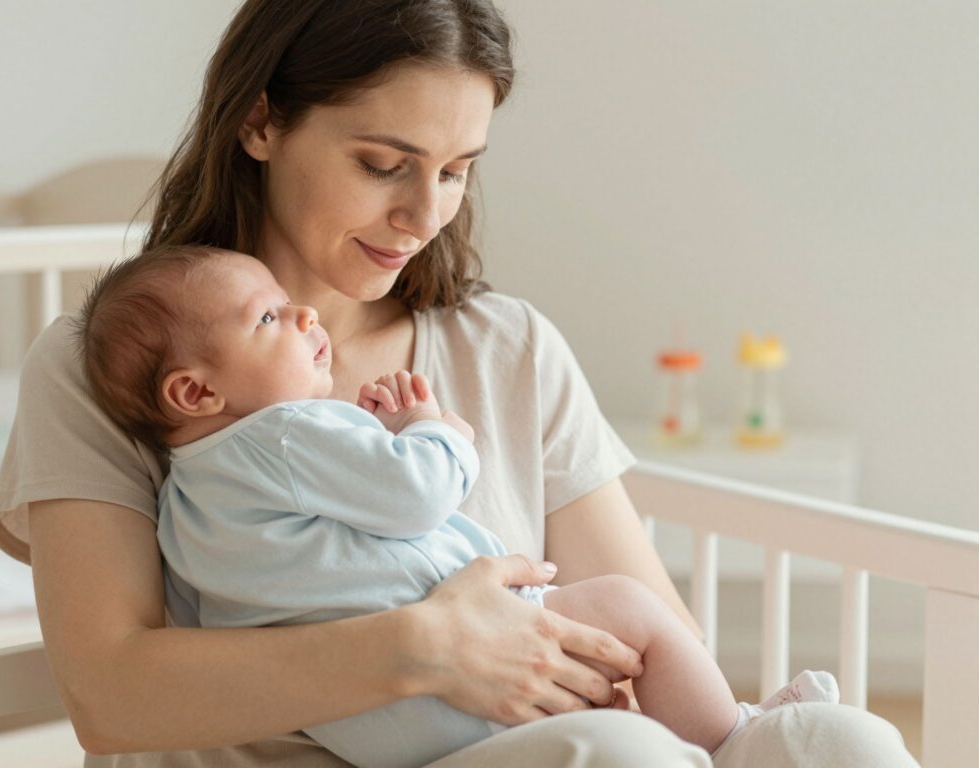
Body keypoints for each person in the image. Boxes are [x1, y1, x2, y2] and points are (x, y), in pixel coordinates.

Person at [0, 1, 919, 767]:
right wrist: (426, 648)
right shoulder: (116, 372)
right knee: (617, 753)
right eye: (383, 165)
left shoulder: (508, 347)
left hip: (535, 743)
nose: (423, 213)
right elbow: (111, 696)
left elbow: (646, 631)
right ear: (261, 122)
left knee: (847, 741)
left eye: (456, 172)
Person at [76, 246, 841, 768]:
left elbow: (222, 610)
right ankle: (735, 737)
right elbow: (416, 494)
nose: (304, 317)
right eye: (269, 319)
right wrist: (436, 431)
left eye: (455, 169)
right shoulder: (285, 433)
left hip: (371, 730)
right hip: (457, 682)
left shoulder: (181, 508)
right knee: (625, 607)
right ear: (196, 391)